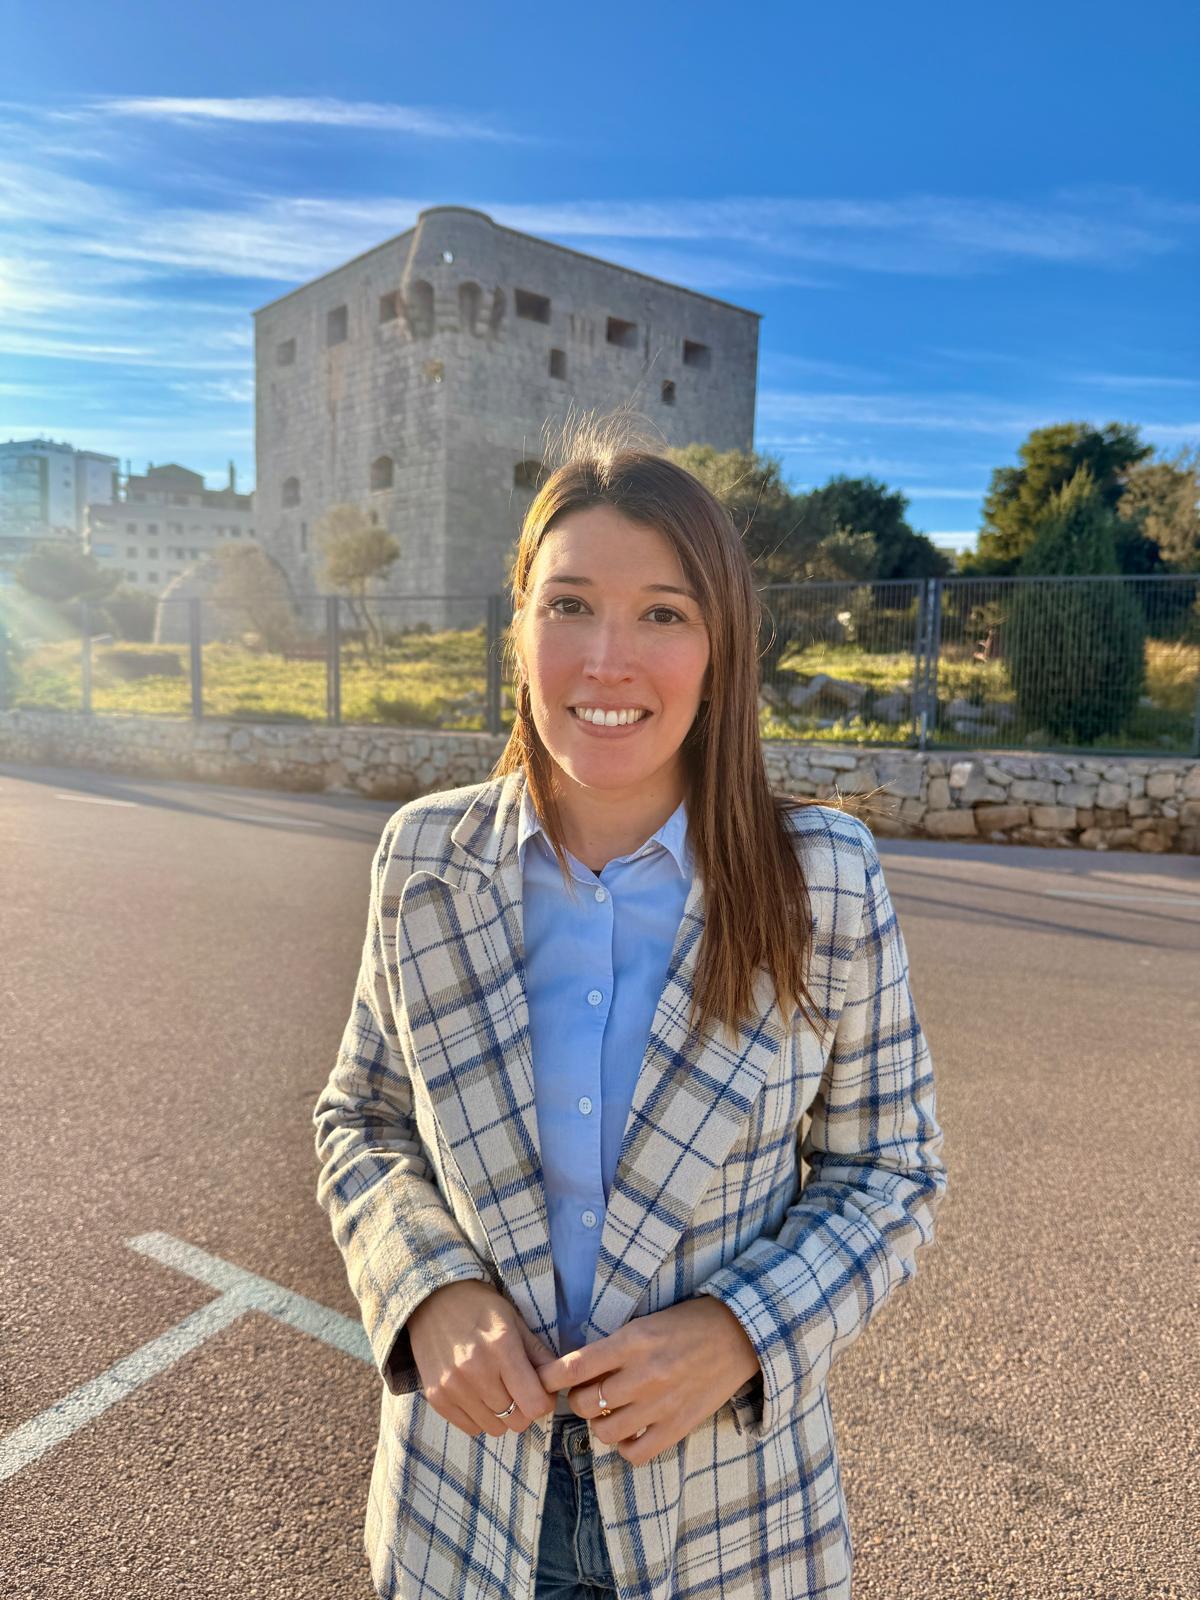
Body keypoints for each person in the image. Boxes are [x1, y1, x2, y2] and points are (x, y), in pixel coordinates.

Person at [313, 431, 947, 1600]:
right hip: (467, 1507)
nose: (607, 660)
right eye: (569, 605)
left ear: (721, 649)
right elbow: (363, 1115)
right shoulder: (423, 860)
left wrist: (740, 1331)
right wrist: (427, 1289)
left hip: (730, 1514)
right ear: (518, 627)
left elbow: (892, 1169)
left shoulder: (826, 879)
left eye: (663, 613)